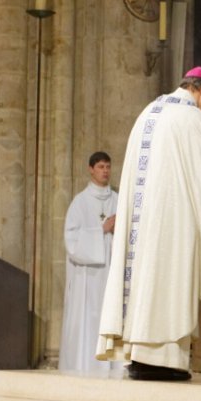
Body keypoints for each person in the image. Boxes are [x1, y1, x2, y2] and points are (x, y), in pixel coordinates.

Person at [96, 67, 201, 381]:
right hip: (171, 217)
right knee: (168, 279)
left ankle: (138, 355)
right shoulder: (191, 117)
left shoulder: (150, 111)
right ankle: (164, 359)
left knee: (143, 280)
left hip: (143, 220)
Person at [59, 151, 119, 377]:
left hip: (111, 275)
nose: (105, 171)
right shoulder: (80, 202)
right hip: (88, 279)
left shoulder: (117, 199)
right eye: (101, 167)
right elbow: (71, 241)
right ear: (91, 169)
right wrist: (102, 229)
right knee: (88, 323)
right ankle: (85, 367)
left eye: (108, 166)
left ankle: (115, 367)